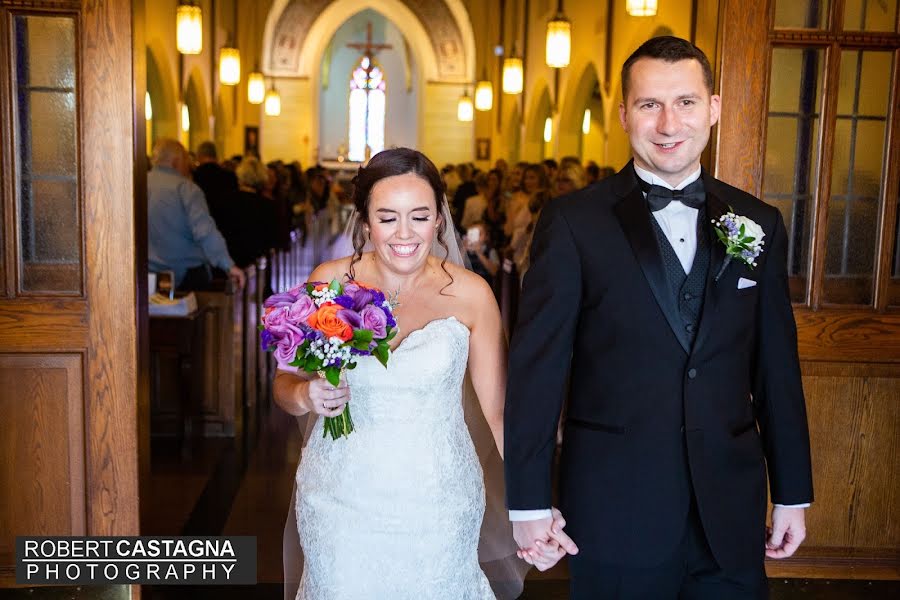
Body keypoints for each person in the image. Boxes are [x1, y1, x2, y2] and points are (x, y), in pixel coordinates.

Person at [505, 36, 813, 599]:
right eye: (649, 104)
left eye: (686, 102)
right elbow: (538, 369)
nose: (669, 122)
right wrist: (528, 499)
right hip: (614, 506)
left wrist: (792, 490)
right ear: (624, 113)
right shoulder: (574, 223)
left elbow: (776, 367)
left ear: (713, 108)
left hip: (730, 507)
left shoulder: (757, 221)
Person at [275, 148, 551, 599]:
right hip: (340, 499)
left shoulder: (471, 294)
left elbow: (500, 414)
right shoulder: (331, 282)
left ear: (439, 220)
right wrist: (307, 395)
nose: (405, 234)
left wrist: (531, 506)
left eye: (419, 217)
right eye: (387, 218)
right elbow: (284, 384)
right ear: (364, 222)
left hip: (440, 502)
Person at [147, 139, 245, 291]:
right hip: (186, 276)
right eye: (187, 160)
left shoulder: (138, 184)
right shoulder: (185, 188)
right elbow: (205, 230)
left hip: (147, 275)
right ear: (176, 161)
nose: (190, 166)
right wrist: (228, 265)